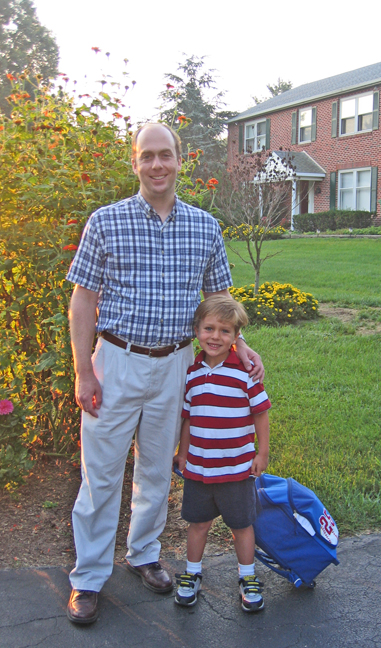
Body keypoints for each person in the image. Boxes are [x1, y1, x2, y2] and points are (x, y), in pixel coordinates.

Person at [65, 123, 263, 625]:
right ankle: (88, 577)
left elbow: (220, 299)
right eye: (147, 155)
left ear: (180, 160)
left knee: (156, 468)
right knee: (101, 474)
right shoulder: (105, 221)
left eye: (165, 155)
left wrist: (240, 344)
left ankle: (144, 554)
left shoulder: (204, 227)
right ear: (135, 162)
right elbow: (83, 300)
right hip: (116, 361)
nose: (157, 165)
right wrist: (84, 370)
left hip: (177, 364)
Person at [173, 294, 270, 613]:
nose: (215, 337)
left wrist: (262, 453)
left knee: (241, 525)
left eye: (225, 331)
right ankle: (192, 573)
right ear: (197, 330)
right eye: (209, 329)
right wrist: (183, 453)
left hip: (237, 468)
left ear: (236, 336)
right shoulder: (191, 372)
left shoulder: (245, 372)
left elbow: (260, 414)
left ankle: (247, 576)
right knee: (198, 524)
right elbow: (188, 418)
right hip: (200, 469)